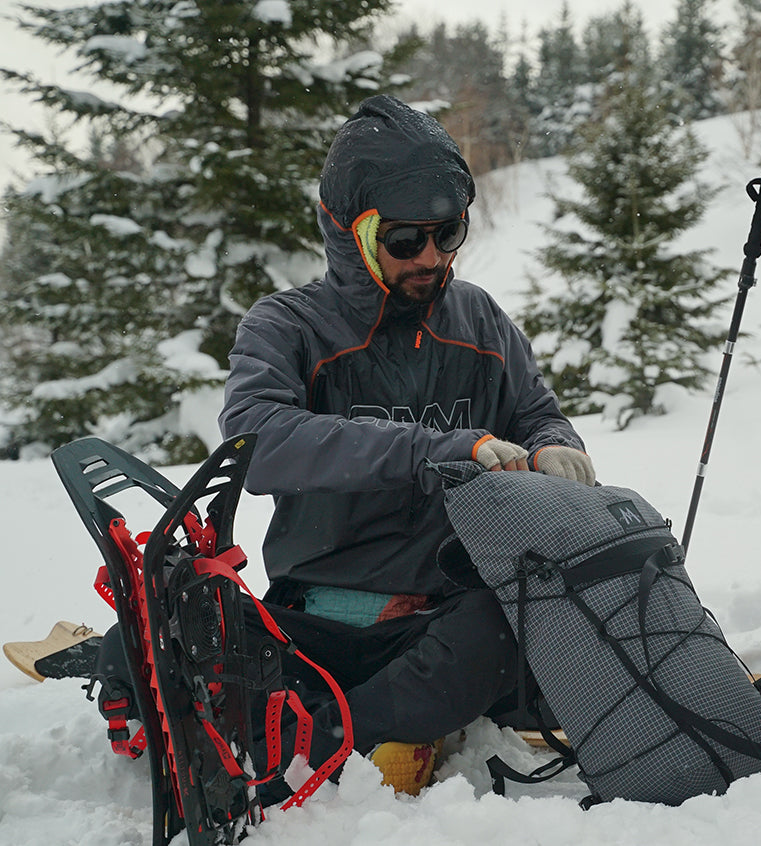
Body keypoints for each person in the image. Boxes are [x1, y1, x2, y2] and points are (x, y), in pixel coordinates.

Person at [218, 95, 595, 798]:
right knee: (208, 637)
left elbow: (539, 412)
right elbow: (257, 441)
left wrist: (550, 448)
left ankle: (326, 731)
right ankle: (381, 724)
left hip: (443, 616)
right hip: (318, 615)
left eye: (447, 233)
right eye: (403, 240)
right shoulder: (289, 326)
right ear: (348, 232)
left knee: (507, 622)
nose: (431, 257)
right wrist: (432, 451)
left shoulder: (478, 318)